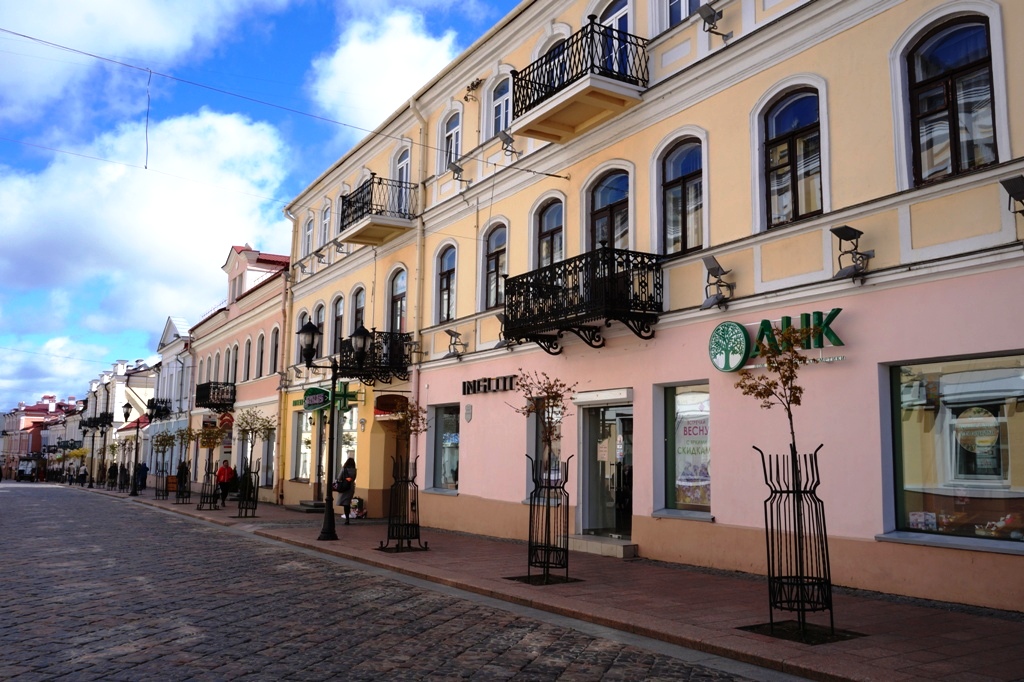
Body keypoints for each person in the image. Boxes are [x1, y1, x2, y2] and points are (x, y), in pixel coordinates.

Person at [336, 457, 357, 525]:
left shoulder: (344, 469)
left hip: (344, 487)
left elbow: (339, 477)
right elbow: (353, 479)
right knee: (347, 503)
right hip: (350, 488)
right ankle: (347, 518)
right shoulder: (354, 470)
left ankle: (347, 517)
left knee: (345, 503)